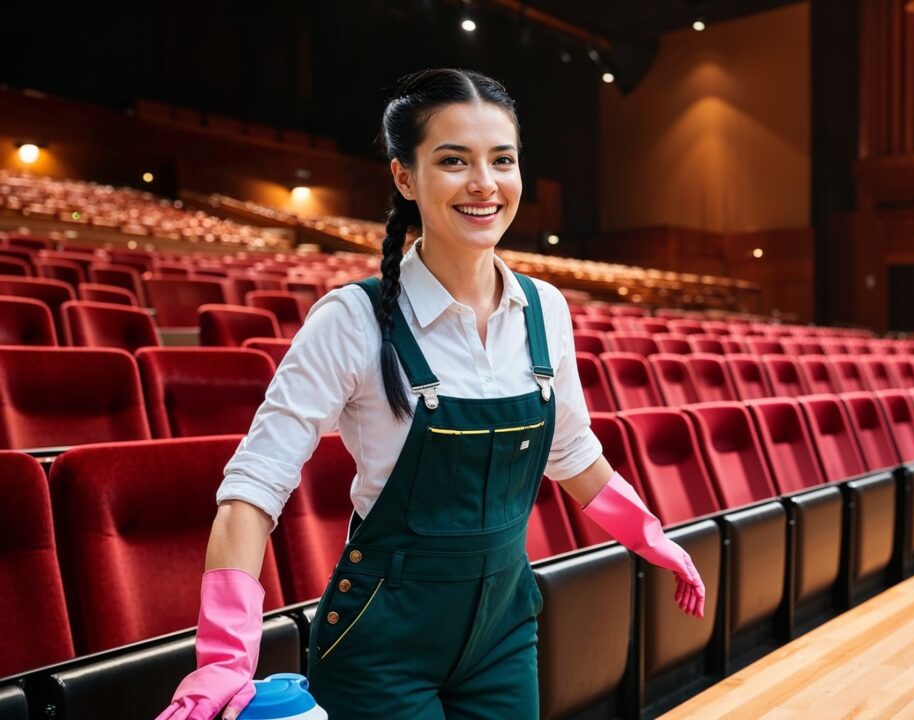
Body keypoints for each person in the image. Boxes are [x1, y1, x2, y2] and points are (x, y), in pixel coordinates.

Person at [157, 68, 706, 720]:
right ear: (404, 178)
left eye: (501, 159)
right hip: (381, 647)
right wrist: (224, 655)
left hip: (503, 634)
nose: (484, 182)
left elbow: (571, 453)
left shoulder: (546, 309)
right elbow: (252, 489)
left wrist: (650, 535)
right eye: (453, 161)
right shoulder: (351, 319)